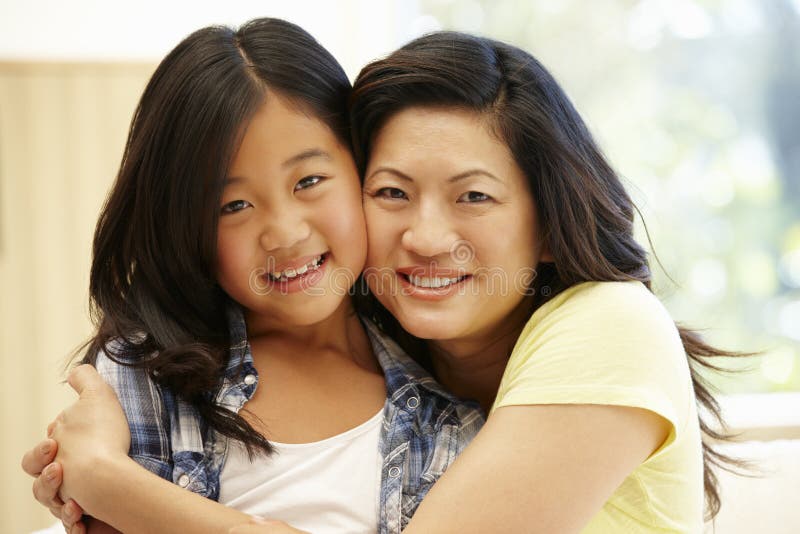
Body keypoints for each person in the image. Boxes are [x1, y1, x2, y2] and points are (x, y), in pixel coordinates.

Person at [24, 30, 743, 533]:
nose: (425, 238)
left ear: (552, 222)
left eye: (475, 196)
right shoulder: (400, 348)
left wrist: (106, 479)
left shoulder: (609, 325)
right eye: (393, 192)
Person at [21, 19, 483, 534]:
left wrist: (106, 480)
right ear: (185, 228)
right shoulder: (145, 377)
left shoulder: (446, 411)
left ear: (363, 166)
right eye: (233, 205)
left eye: (309, 181)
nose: (284, 234)